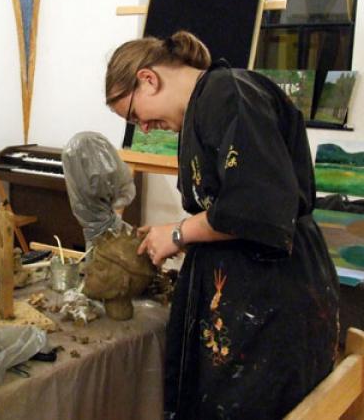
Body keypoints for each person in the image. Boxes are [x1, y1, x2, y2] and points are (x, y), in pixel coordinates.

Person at [105, 31, 339, 419]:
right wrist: (177, 233)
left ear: (148, 79)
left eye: (133, 115)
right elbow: (225, 205)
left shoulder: (227, 93)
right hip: (245, 289)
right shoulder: (206, 103)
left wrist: (178, 233)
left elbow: (256, 205)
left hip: (272, 296)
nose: (142, 128)